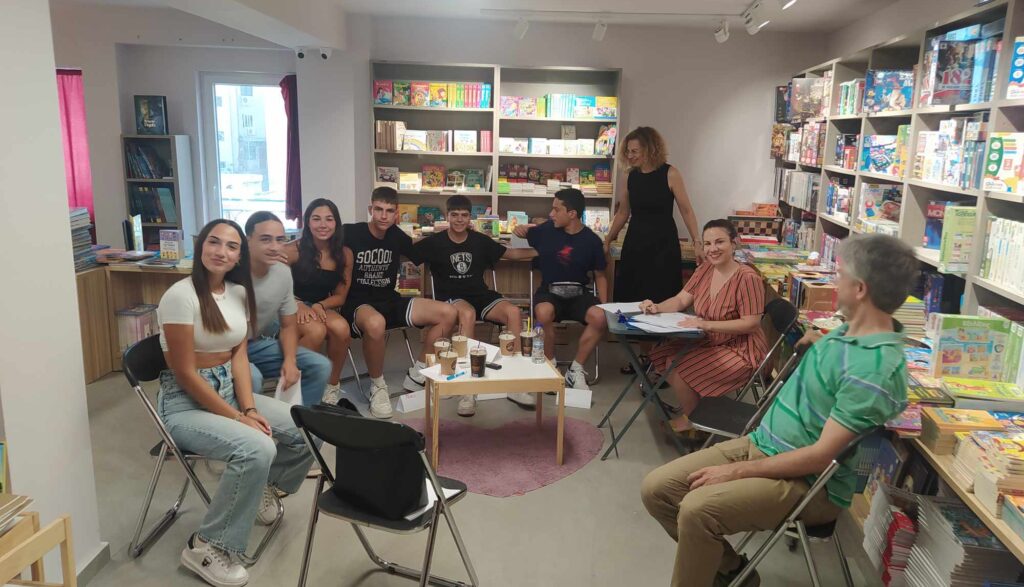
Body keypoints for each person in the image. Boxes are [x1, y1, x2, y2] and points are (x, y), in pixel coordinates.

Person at [640, 234, 917, 587]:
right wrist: (822, 345)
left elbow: (819, 457)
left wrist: (737, 471)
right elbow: (842, 366)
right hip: (765, 445)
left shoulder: (874, 370)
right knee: (657, 489)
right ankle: (731, 571)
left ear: (860, 289)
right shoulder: (852, 331)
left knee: (697, 510)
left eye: (840, 275)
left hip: (807, 483)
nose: (834, 282)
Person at [156, 219, 313, 587]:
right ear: (200, 245)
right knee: (257, 448)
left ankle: (263, 488)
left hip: (226, 387)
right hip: (185, 404)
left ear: (238, 255)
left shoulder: (239, 293)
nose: (221, 252)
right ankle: (206, 546)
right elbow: (185, 374)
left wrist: (250, 409)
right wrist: (238, 418)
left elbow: (238, 357)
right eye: (214, 242)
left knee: (308, 424)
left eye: (231, 246)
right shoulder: (180, 296)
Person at [413, 194, 538, 415]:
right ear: (447, 216)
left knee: (513, 312)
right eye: (454, 215)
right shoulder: (435, 242)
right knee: (468, 314)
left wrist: (546, 250)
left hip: (480, 295)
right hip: (451, 298)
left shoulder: (479, 240)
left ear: (470, 217)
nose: (459, 220)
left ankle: (515, 382)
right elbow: (407, 251)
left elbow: (511, 253)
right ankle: (467, 389)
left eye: (464, 215)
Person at [339, 187, 458, 419]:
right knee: (375, 323)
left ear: (396, 213)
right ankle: (378, 386)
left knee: (448, 312)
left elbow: (423, 252)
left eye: (389, 211)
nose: (383, 216)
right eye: (378, 209)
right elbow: (316, 240)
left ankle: (418, 373)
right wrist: (286, 249)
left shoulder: (397, 236)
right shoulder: (351, 232)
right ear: (370, 209)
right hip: (358, 304)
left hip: (389, 299)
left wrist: (456, 232)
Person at [640, 219, 768, 434]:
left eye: (719, 242)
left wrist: (706, 324)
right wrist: (656, 307)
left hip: (742, 349)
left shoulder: (747, 278)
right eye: (707, 244)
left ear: (734, 243)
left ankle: (694, 423)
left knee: (678, 365)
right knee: (663, 355)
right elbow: (681, 300)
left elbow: (751, 323)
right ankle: (698, 414)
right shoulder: (705, 269)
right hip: (710, 339)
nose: (712, 249)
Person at [605, 127, 704, 375]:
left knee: (662, 297)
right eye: (628, 152)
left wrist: (697, 241)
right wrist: (608, 238)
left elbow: (687, 210)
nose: (630, 156)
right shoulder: (631, 177)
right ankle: (644, 358)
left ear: (650, 149)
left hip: (663, 245)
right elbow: (623, 212)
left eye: (635, 151)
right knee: (637, 299)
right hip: (636, 244)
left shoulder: (670, 173)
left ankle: (662, 360)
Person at [513, 188, 608, 391]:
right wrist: (520, 228)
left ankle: (576, 369)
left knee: (600, 317)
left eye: (556, 210)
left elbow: (600, 275)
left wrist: (606, 305)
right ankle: (550, 365)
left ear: (572, 214)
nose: (551, 214)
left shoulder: (592, 241)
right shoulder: (546, 231)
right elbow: (525, 231)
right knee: (543, 312)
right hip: (550, 291)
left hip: (579, 293)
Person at [244, 211, 333, 406]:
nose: (274, 247)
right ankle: (247, 421)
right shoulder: (232, 272)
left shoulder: (283, 273)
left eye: (280, 240)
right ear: (248, 240)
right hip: (223, 349)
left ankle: (299, 423)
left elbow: (288, 326)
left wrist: (290, 361)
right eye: (265, 239)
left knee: (320, 366)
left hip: (253, 345)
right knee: (253, 378)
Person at [286, 198, 353, 404]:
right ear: (307, 222)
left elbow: (340, 296)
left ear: (336, 223)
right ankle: (297, 385)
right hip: (289, 304)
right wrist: (296, 304)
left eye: (329, 219)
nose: (323, 225)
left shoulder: (344, 254)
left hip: (318, 305)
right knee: (316, 331)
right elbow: (273, 286)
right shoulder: (292, 250)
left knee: (342, 329)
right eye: (316, 219)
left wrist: (320, 305)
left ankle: (331, 386)